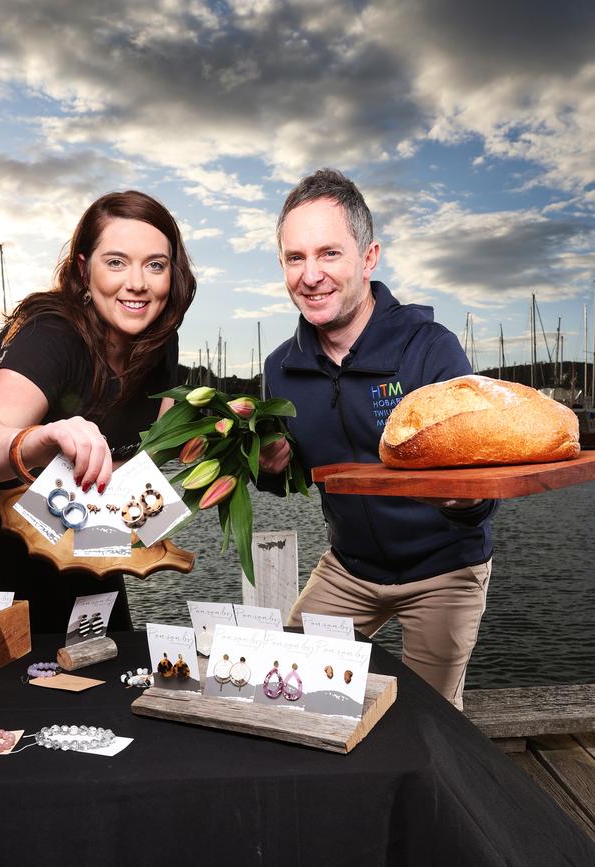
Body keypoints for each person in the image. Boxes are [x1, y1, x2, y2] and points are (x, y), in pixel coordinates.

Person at [259, 168, 498, 709]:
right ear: (281, 265)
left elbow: (480, 489)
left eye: (329, 254)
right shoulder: (281, 369)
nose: (311, 274)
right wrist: (269, 466)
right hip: (349, 567)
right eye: (295, 258)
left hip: (444, 567)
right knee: (287, 694)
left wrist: (466, 499)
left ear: (369, 258)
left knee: (430, 722)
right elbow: (290, 473)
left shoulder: (430, 349)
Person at [0, 190, 196, 633]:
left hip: (67, 500)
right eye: (116, 262)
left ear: (172, 274)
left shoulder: (161, 338)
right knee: (37, 642)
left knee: (106, 633)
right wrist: (43, 438)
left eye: (155, 264)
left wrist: (209, 434)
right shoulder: (51, 334)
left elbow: (149, 442)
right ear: (84, 269)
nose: (137, 282)